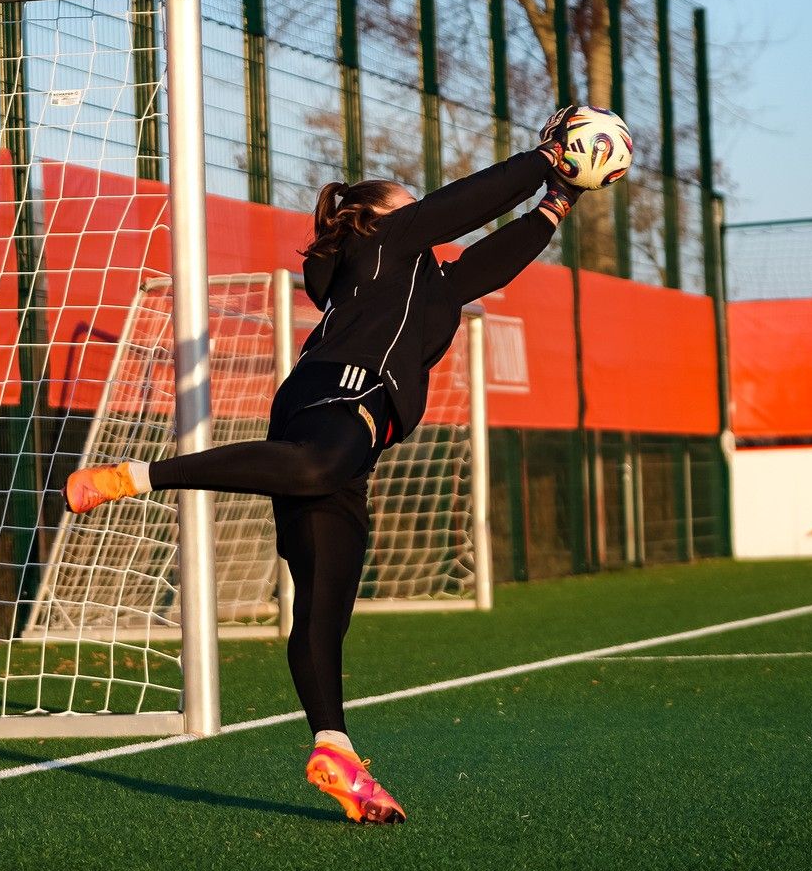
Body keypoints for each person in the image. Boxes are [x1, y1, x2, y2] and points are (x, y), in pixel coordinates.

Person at [65, 110, 591, 823]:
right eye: (409, 200)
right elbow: (463, 204)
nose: (420, 209)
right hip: (333, 394)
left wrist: (559, 200)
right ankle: (136, 476)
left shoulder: (427, 284)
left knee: (326, 594)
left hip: (356, 429)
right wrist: (543, 157)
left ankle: (334, 747)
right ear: (375, 217)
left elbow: (490, 260)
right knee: (316, 469)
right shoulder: (383, 243)